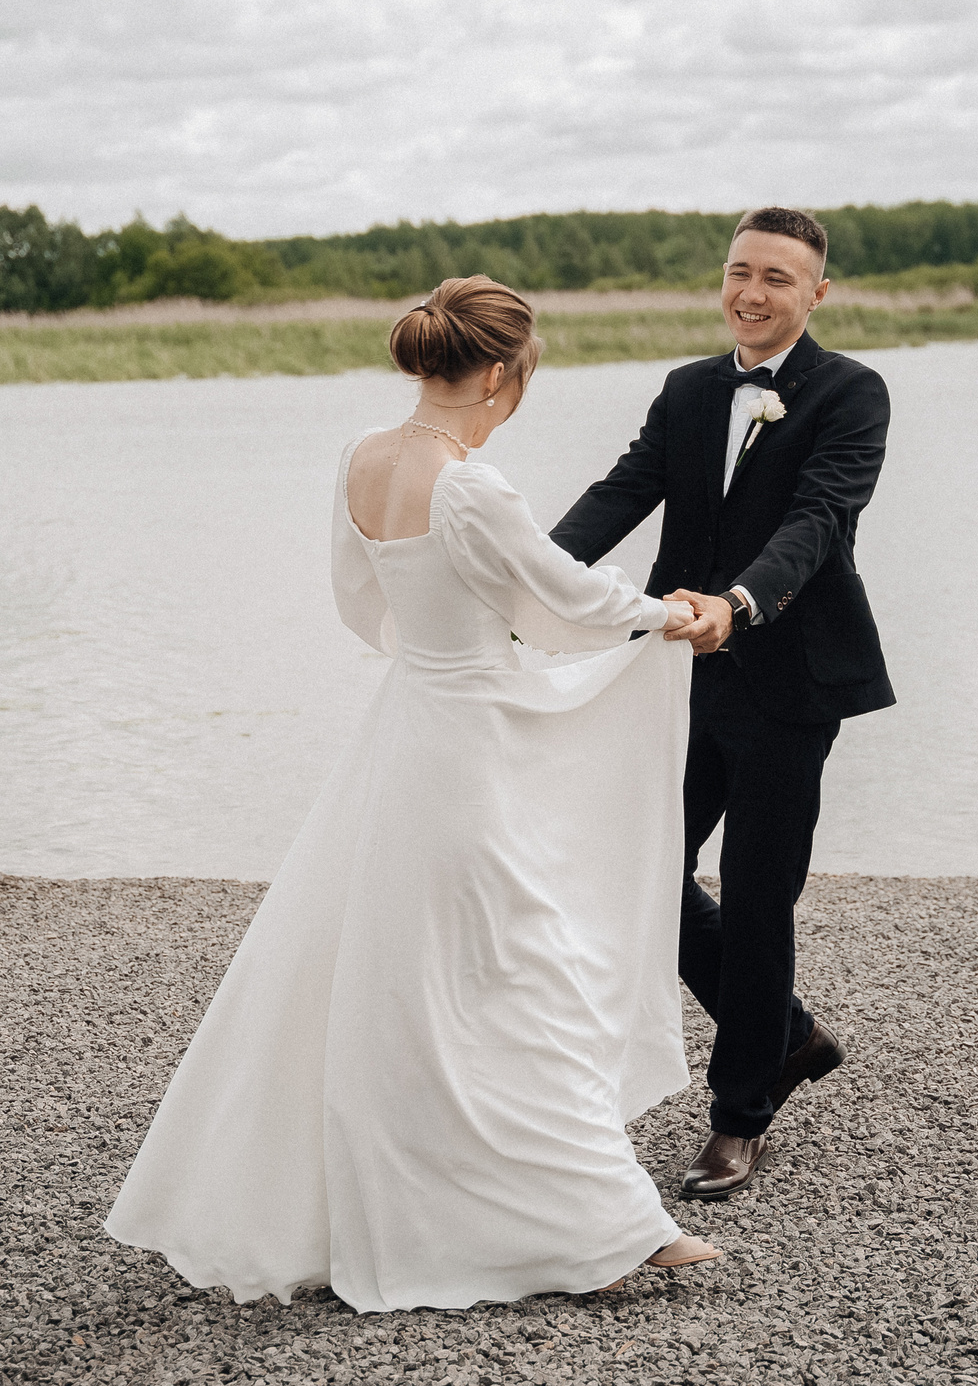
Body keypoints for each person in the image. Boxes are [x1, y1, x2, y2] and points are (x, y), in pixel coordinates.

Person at [105, 275, 724, 1311]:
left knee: (407, 972)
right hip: (470, 745)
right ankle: (603, 1224)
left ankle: (496, 1208)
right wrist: (667, 616)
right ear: (500, 374)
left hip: (400, 735)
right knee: (517, 963)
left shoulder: (363, 456)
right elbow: (560, 602)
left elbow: (360, 602)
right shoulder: (471, 485)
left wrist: (437, 654)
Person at [551, 206, 895, 1199]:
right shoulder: (689, 390)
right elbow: (622, 492)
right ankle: (785, 1034)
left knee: (754, 900)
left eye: (777, 278)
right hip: (673, 675)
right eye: (739, 271)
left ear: (815, 293)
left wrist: (739, 605)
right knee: (635, 871)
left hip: (791, 680)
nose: (751, 292)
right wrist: (527, 579)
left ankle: (739, 1115)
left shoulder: (851, 392)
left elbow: (819, 520)